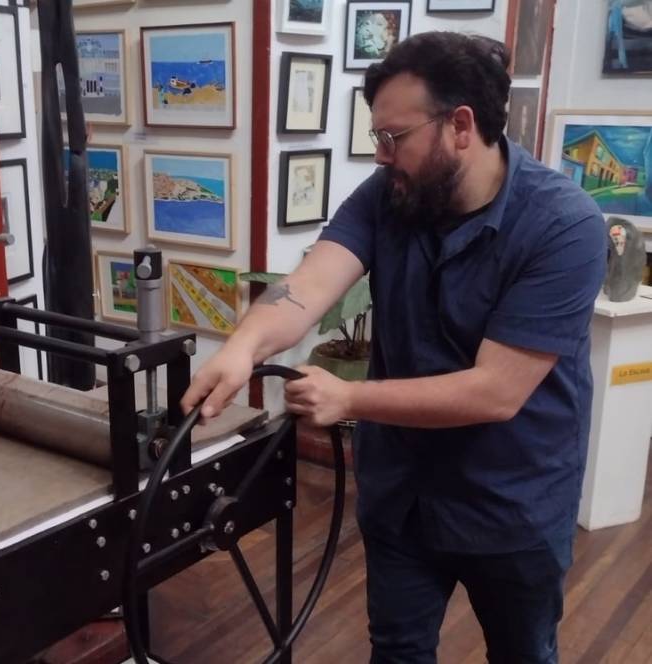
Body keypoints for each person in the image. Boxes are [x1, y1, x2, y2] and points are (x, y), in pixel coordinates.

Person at [182, 31, 606, 663]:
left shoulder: (564, 225)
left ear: (460, 126)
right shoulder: (389, 196)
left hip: (512, 502)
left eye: (393, 136)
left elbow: (495, 391)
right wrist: (242, 346)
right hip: (403, 495)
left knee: (523, 654)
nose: (380, 155)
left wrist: (350, 398)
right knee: (398, 651)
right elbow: (307, 287)